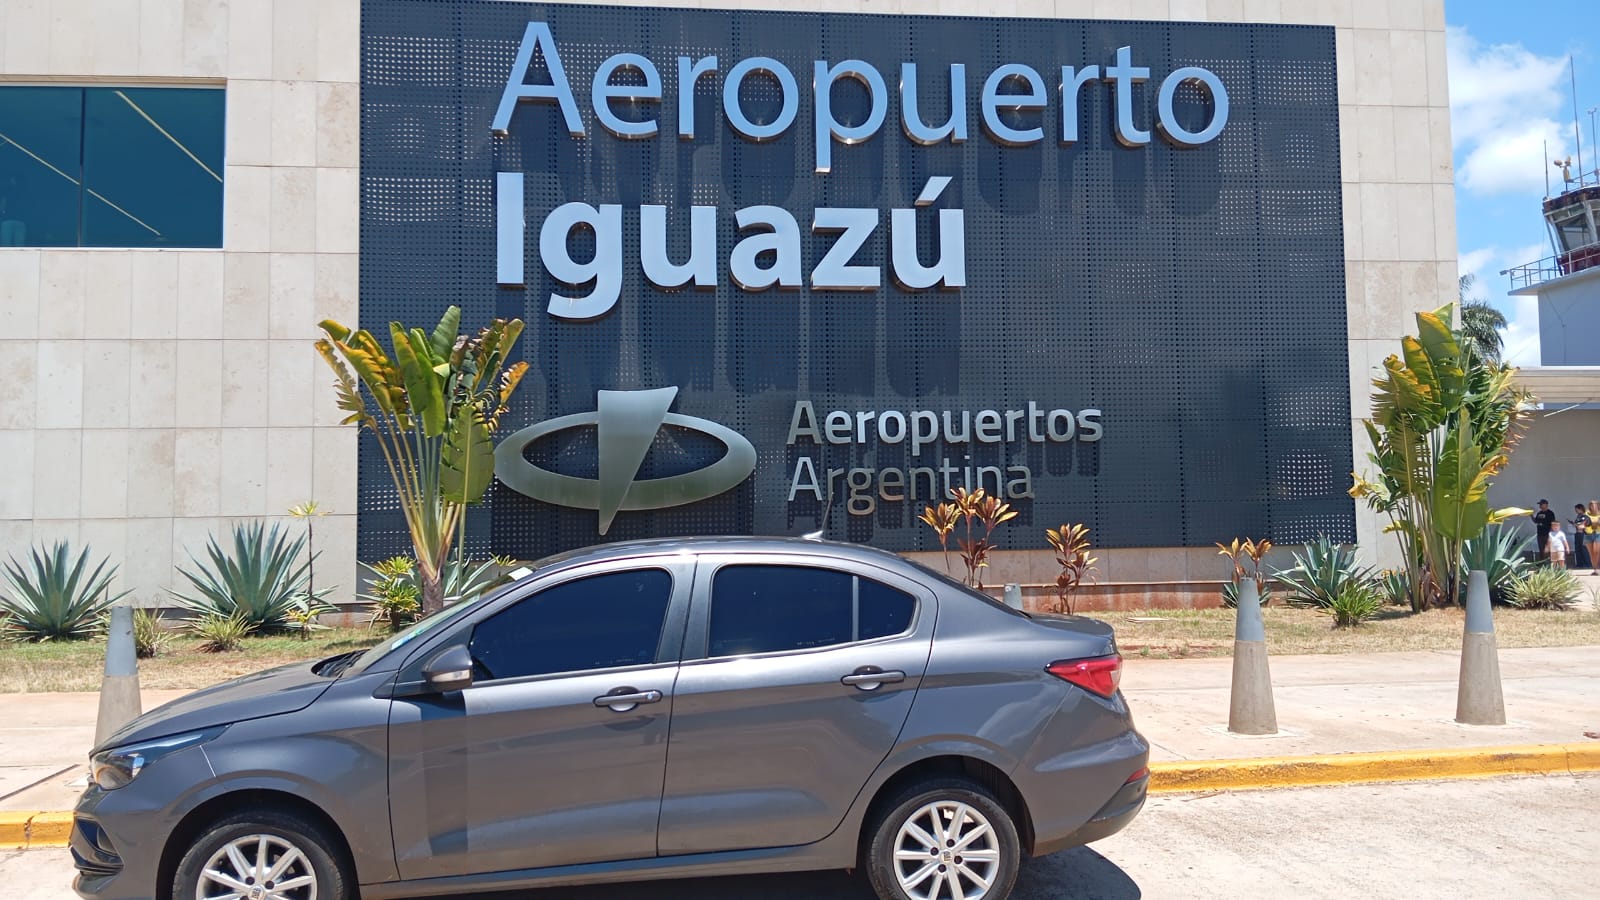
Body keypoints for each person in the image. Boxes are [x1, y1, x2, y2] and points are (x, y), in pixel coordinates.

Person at [1572, 504, 1592, 571]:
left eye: (1576, 509)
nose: (1576, 511)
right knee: (1577, 549)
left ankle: (1587, 564)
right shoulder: (1578, 516)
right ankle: (1579, 564)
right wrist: (1574, 524)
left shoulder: (1585, 516)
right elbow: (1577, 524)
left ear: (1580, 509)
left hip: (1583, 535)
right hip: (1577, 534)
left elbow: (1586, 524)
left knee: (1584, 550)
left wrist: (1580, 526)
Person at [1588, 500, 1600, 576]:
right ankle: (1594, 569)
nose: (1593, 506)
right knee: (1591, 553)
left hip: (1598, 533)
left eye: (1594, 505)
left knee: (1596, 551)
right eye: (1591, 505)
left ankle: (1597, 568)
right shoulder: (1587, 513)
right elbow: (1584, 522)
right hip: (1588, 534)